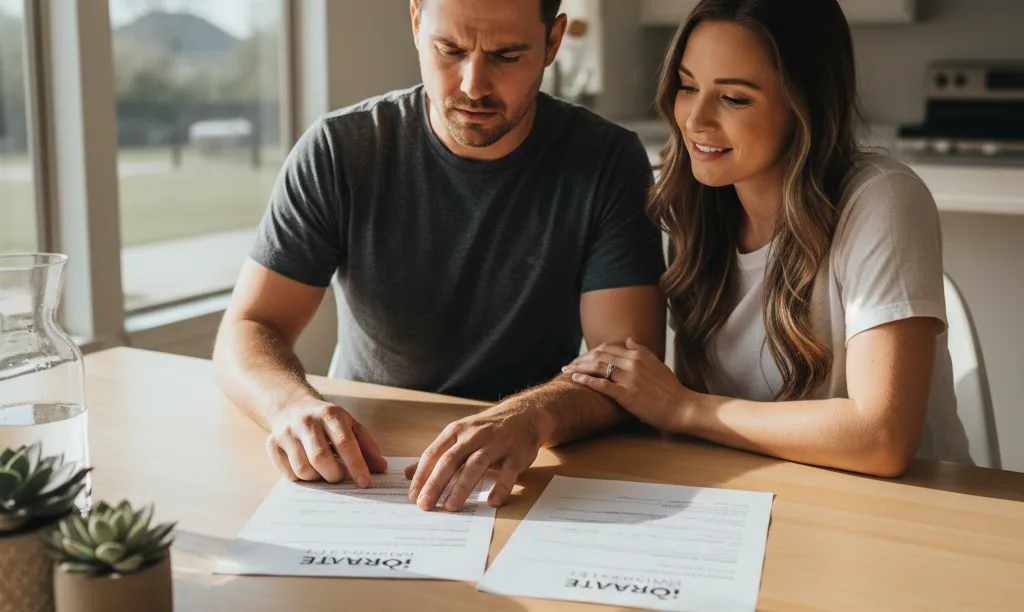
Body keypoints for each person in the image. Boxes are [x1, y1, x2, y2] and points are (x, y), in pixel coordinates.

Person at [212, 0, 666, 512]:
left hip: (526, 463)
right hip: (367, 460)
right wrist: (289, 405)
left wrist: (531, 416)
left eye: (508, 56)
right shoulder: (341, 150)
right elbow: (249, 326)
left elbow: (630, 367)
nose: (473, 84)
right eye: (448, 50)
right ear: (414, 23)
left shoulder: (606, 162)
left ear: (553, 42)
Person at [564, 0, 972, 476]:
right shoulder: (699, 210)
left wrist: (683, 407)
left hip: (918, 513)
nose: (695, 120)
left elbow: (881, 438)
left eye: (734, 98)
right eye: (687, 86)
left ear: (805, 105)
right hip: (772, 498)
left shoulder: (883, 199)